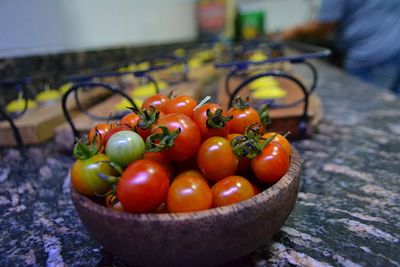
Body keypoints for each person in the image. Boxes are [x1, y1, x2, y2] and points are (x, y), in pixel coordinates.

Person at [275, 0, 400, 94]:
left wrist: (293, 32)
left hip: (371, 53)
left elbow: (325, 25)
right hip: (395, 45)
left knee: (364, 107)